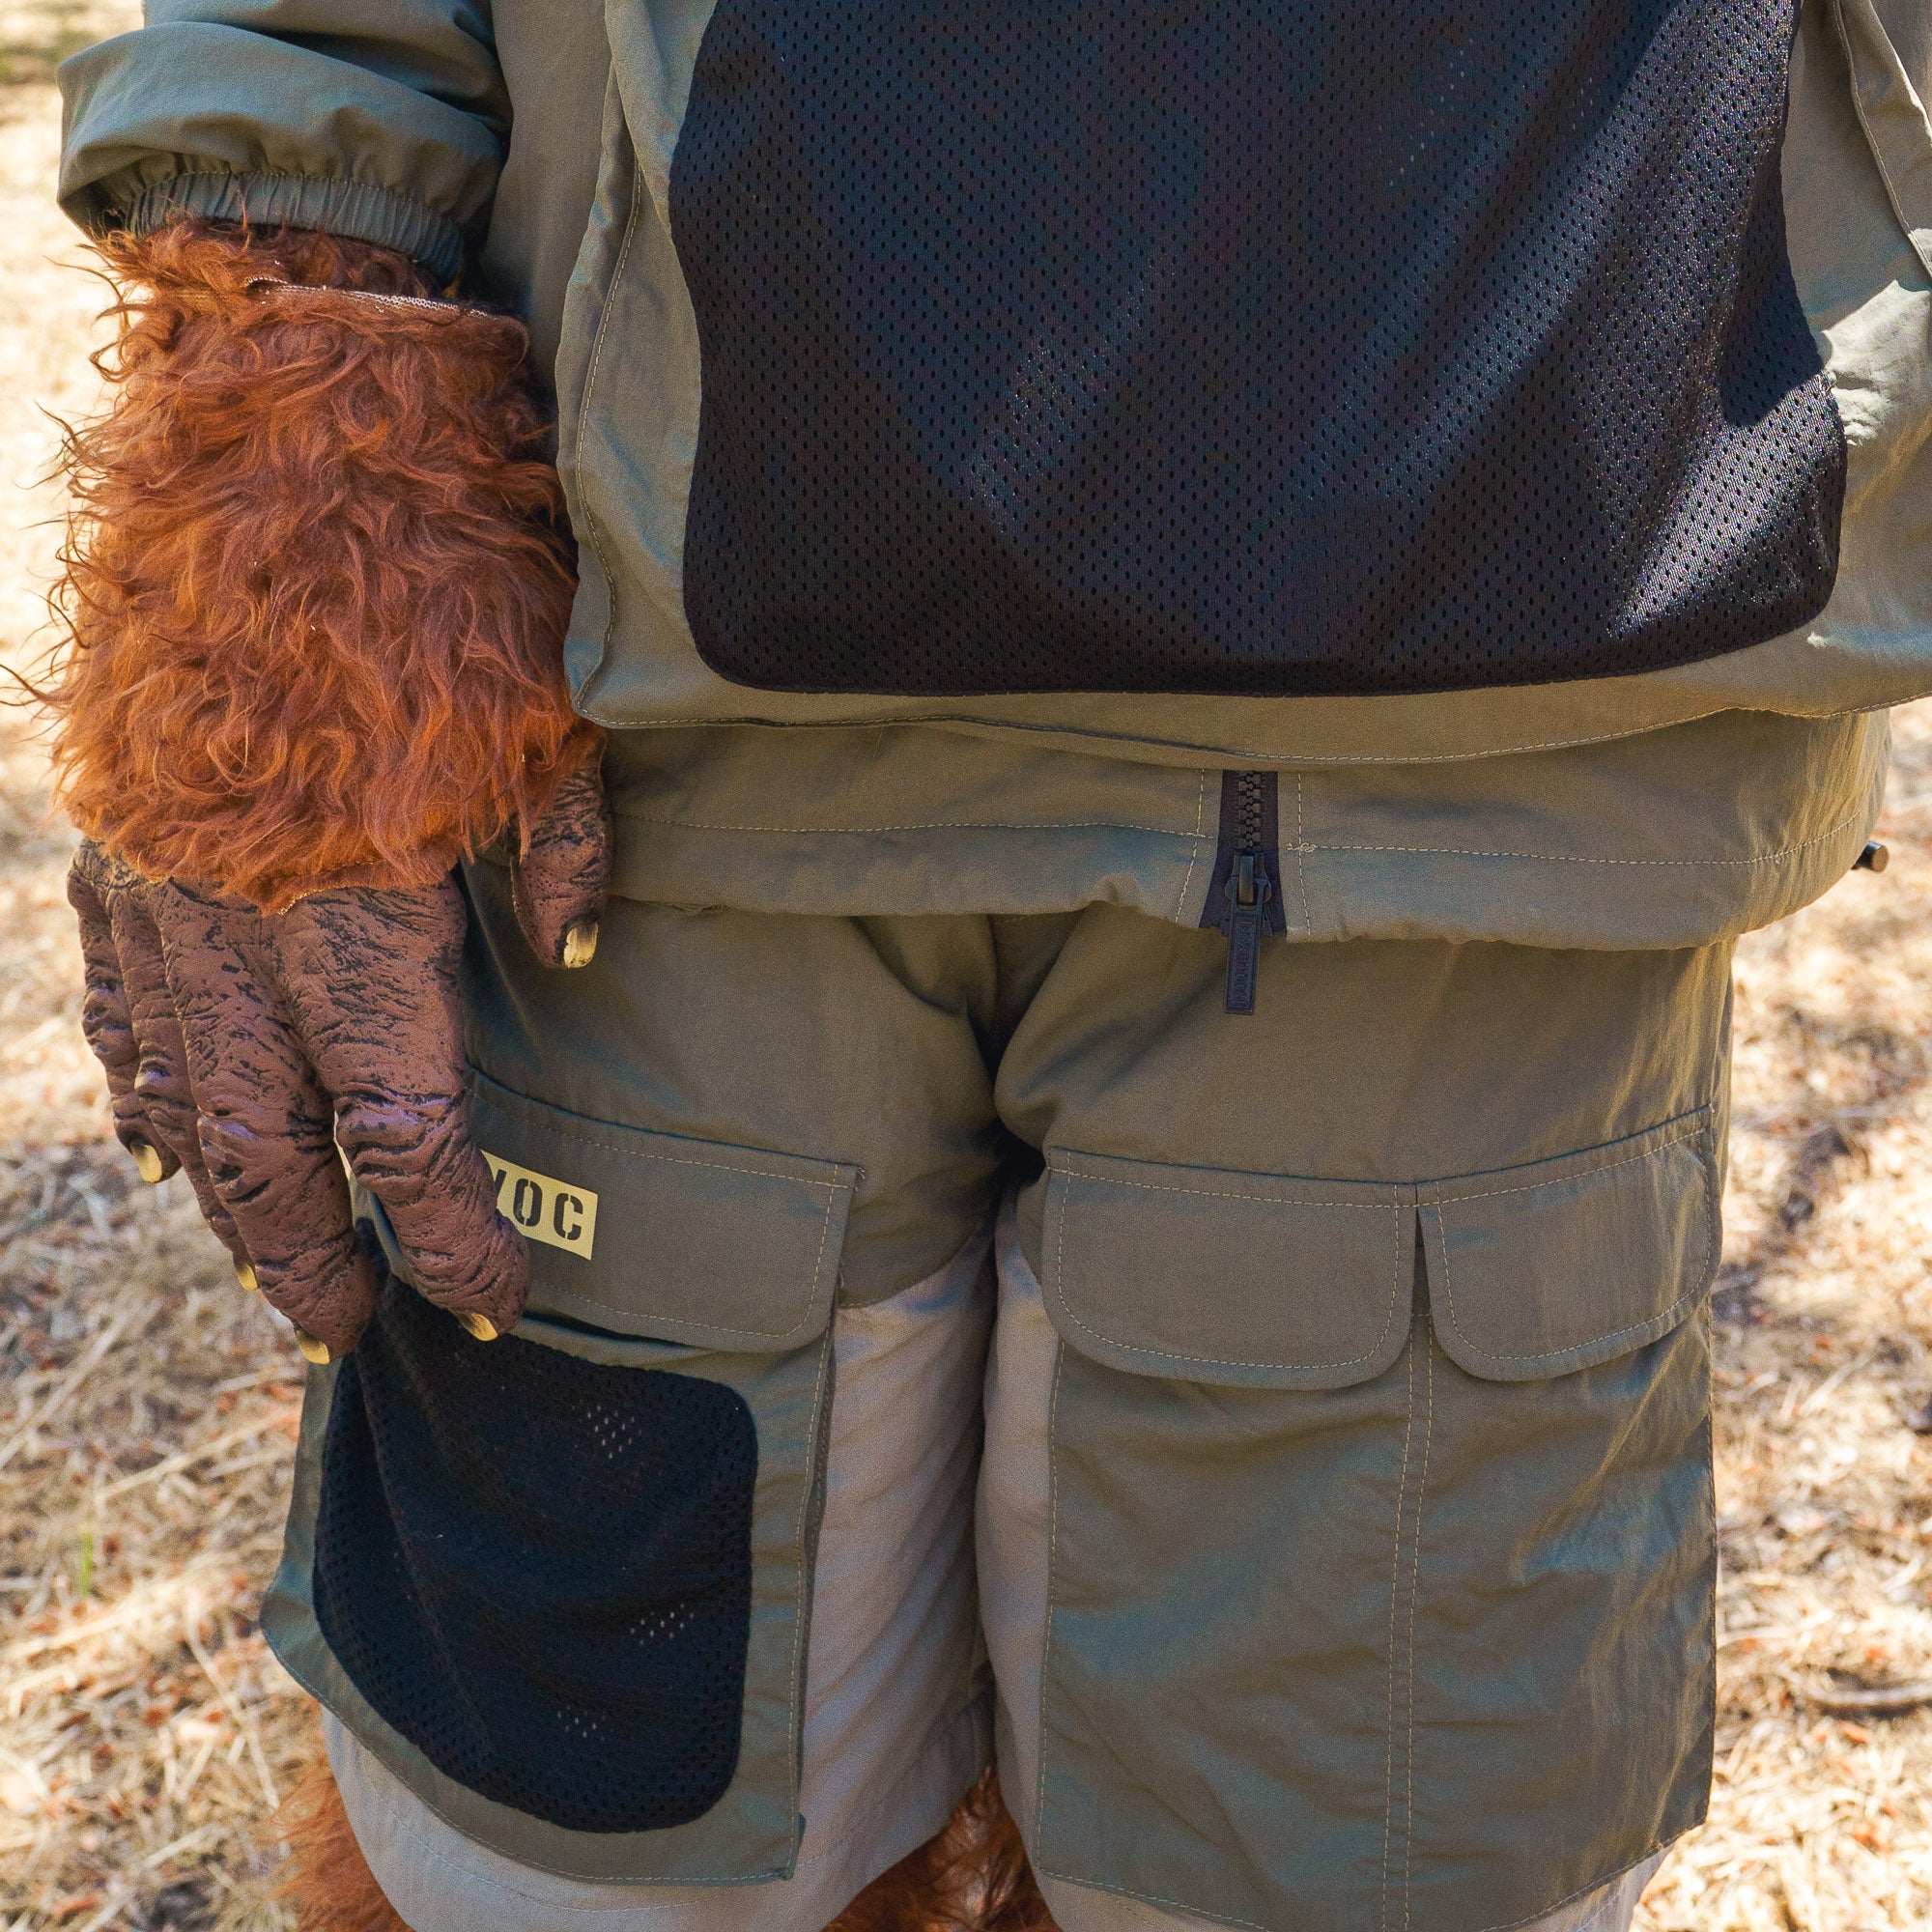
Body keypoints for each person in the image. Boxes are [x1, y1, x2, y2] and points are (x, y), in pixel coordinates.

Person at [44, 3, 1932, 1928]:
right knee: (571, 1873)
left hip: (1496, 740)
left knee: (1331, 1871)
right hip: (681, 734)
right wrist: (287, 473)